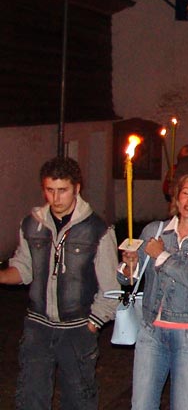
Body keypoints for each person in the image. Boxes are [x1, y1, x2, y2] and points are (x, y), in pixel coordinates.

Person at [0, 156, 119, 409]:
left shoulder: (98, 229)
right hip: (38, 326)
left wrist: (94, 322)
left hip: (77, 328)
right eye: (49, 190)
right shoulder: (32, 223)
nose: (55, 198)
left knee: (79, 398)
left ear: (77, 188)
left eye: (62, 190)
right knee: (31, 397)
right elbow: (24, 269)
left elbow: (110, 287)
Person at [119, 171, 188, 410]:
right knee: (141, 405)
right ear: (176, 198)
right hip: (151, 332)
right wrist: (130, 266)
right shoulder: (154, 231)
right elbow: (126, 277)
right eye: (186, 193)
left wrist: (162, 255)